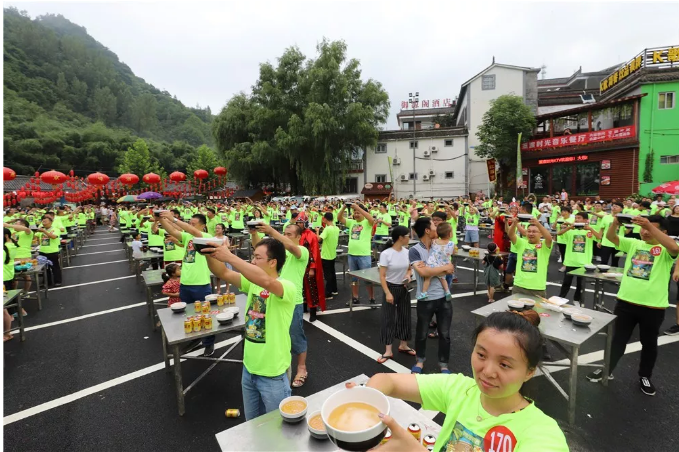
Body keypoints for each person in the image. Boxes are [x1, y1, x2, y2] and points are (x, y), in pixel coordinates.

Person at [346, 310, 568, 451]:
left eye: (504, 364)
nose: (487, 371)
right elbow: (387, 381)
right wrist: (368, 398)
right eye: (481, 355)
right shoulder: (461, 389)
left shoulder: (543, 435)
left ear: (530, 371)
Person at [203, 237, 296, 420]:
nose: (252, 261)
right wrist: (209, 253)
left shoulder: (287, 287)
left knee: (280, 429)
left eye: (257, 257)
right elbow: (221, 271)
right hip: (249, 368)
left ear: (273, 262)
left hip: (273, 373)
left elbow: (268, 283)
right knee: (253, 425)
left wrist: (230, 257)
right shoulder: (253, 282)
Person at [587, 215, 679, 396]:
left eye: (650, 228)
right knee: (617, 340)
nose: (644, 232)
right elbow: (612, 238)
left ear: (663, 231)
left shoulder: (665, 249)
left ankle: (645, 376)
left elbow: (675, 248)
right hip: (625, 303)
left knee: (649, 343)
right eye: (643, 228)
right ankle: (607, 369)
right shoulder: (633, 244)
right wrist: (614, 223)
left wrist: (649, 227)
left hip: (653, 307)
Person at [250, 222, 310, 389]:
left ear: (299, 237)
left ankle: (302, 368)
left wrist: (271, 231)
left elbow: (291, 247)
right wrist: (254, 233)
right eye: (284, 233)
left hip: (292, 300)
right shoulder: (280, 252)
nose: (286, 236)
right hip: (272, 297)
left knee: (296, 335)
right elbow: (259, 248)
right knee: (276, 335)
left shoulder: (302, 252)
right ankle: (283, 366)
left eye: (289, 234)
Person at [158, 211, 216, 357]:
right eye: (189, 222)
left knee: (205, 315)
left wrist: (174, 219)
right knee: (189, 315)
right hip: (185, 283)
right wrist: (161, 219)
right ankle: (195, 339)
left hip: (201, 283)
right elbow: (171, 231)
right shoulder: (187, 237)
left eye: (193, 223)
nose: (190, 225)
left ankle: (208, 343)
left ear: (203, 226)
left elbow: (190, 230)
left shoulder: (206, 237)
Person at [409, 217, 455, 375]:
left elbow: (451, 268)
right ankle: (420, 361)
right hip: (425, 299)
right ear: (427, 231)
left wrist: (434, 269)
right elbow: (423, 272)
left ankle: (444, 364)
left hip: (444, 298)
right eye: (434, 226)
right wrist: (443, 269)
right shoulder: (415, 250)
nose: (437, 228)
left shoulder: (440, 245)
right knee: (421, 334)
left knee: (445, 334)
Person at [376, 226, 414, 364]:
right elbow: (382, 276)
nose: (409, 238)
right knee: (388, 319)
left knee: (405, 317)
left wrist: (408, 276)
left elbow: (409, 269)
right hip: (390, 287)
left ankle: (403, 345)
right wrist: (387, 293)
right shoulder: (386, 254)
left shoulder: (407, 252)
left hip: (404, 288)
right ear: (400, 238)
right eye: (407, 236)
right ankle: (388, 350)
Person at [557, 212, 603, 306]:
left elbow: (599, 237)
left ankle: (577, 300)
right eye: (576, 218)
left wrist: (590, 228)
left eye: (579, 218)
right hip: (570, 261)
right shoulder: (571, 231)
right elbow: (559, 233)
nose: (577, 220)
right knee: (566, 283)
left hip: (583, 263)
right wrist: (569, 227)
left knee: (580, 284)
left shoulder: (589, 232)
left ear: (586, 220)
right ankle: (561, 299)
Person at [338, 202, 376, 307]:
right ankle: (355, 297)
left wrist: (358, 207)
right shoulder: (351, 223)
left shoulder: (367, 223)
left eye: (358, 212)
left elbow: (372, 219)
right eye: (355, 212)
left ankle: (371, 298)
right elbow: (339, 217)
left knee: (368, 278)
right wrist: (344, 207)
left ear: (363, 213)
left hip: (364, 255)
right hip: (352, 254)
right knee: (354, 278)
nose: (356, 214)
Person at [507, 217, 553, 298]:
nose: (531, 234)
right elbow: (511, 234)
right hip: (519, 286)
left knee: (536, 311)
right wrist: (514, 224)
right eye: (529, 231)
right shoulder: (521, 243)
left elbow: (549, 238)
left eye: (534, 231)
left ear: (541, 234)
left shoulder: (544, 246)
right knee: (515, 310)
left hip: (537, 288)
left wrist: (538, 223)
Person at [418, 222, 454, 301]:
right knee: (443, 279)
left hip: (433, 263)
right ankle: (447, 292)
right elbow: (452, 252)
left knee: (427, 279)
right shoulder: (451, 244)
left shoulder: (435, 241)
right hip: (444, 264)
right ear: (450, 234)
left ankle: (424, 293)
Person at [316, 212, 339, 300]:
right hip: (332, 253)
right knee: (332, 273)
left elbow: (318, 239)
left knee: (327, 275)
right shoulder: (336, 228)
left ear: (325, 219)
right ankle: (334, 289)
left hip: (326, 255)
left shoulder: (327, 229)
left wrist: (317, 231)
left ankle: (328, 293)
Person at [36, 216, 62, 287]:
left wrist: (44, 231)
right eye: (43, 221)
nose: (43, 223)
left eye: (45, 221)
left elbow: (53, 237)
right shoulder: (41, 230)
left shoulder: (55, 229)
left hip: (52, 251)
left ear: (51, 222)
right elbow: (35, 236)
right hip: (42, 251)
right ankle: (47, 282)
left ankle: (57, 281)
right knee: (44, 268)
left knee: (55, 267)